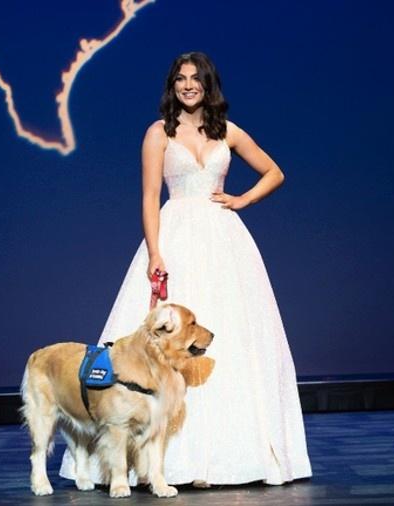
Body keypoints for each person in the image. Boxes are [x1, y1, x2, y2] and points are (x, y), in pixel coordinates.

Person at [61, 52, 311, 485]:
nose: (188, 85)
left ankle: (237, 455)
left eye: (196, 78)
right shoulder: (159, 133)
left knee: (236, 339)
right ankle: (162, 461)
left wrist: (243, 199)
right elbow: (149, 197)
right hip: (176, 237)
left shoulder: (227, 131)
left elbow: (274, 172)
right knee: (160, 348)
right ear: (172, 85)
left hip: (225, 241)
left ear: (208, 84)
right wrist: (156, 253)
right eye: (181, 78)